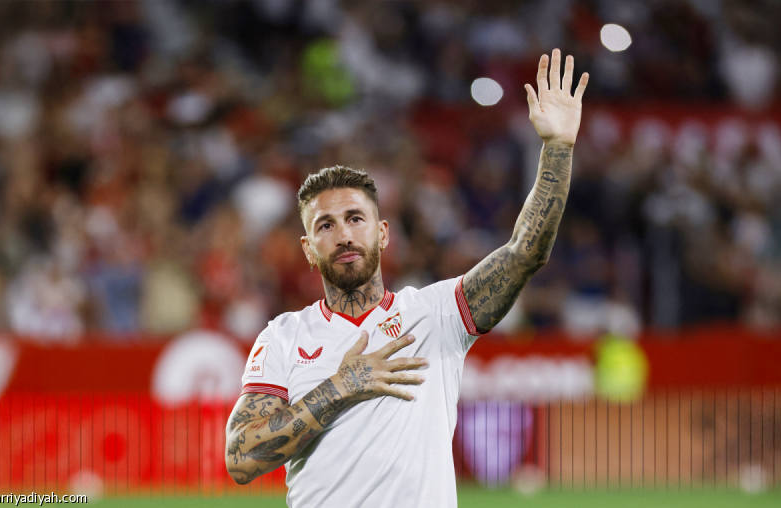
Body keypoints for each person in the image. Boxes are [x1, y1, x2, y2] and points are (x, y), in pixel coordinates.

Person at [225, 49, 589, 507]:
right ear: (307, 249)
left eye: (355, 218)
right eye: (325, 225)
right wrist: (341, 387)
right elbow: (241, 458)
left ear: (382, 233)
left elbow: (525, 252)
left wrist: (557, 148)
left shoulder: (437, 314)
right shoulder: (283, 337)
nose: (343, 234)